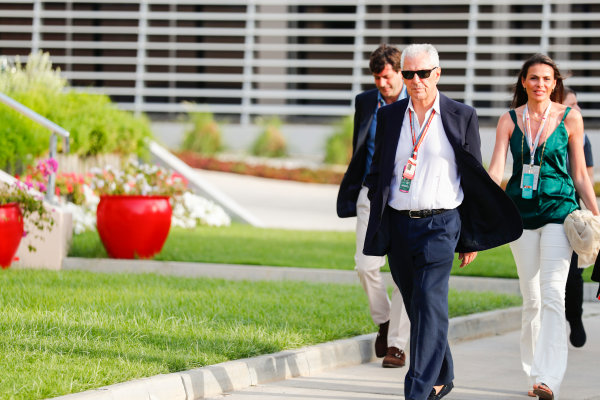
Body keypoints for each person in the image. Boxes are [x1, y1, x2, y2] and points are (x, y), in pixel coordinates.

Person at [364, 43, 522, 400]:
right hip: (400, 225)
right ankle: (444, 374)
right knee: (420, 306)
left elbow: (471, 178)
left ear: (437, 73)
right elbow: (378, 174)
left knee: (430, 302)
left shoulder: (460, 115)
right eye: (408, 74)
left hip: (441, 225)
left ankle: (417, 391)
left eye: (423, 73)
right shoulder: (390, 117)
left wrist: (468, 237)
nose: (415, 80)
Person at [488, 54, 600, 400]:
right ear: (524, 82)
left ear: (555, 84)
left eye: (546, 79)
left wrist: (597, 214)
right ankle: (532, 371)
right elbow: (495, 171)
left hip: (558, 211)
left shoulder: (571, 118)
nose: (540, 84)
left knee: (553, 293)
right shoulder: (508, 120)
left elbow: (580, 174)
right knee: (532, 299)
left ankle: (548, 378)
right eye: (533, 78)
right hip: (519, 217)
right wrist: (479, 208)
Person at [337, 44, 411, 368]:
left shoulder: (415, 102)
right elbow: (360, 145)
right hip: (371, 192)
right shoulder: (365, 102)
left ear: (399, 72)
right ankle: (383, 321)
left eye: (387, 77)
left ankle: (396, 344)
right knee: (365, 265)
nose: (382, 83)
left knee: (403, 274)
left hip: (407, 197)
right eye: (377, 78)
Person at [563, 87, 594, 348]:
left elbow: (586, 176)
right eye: (570, 105)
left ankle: (575, 318)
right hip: (538, 213)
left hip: (571, 212)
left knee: (573, 273)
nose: (577, 110)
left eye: (577, 104)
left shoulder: (582, 139)